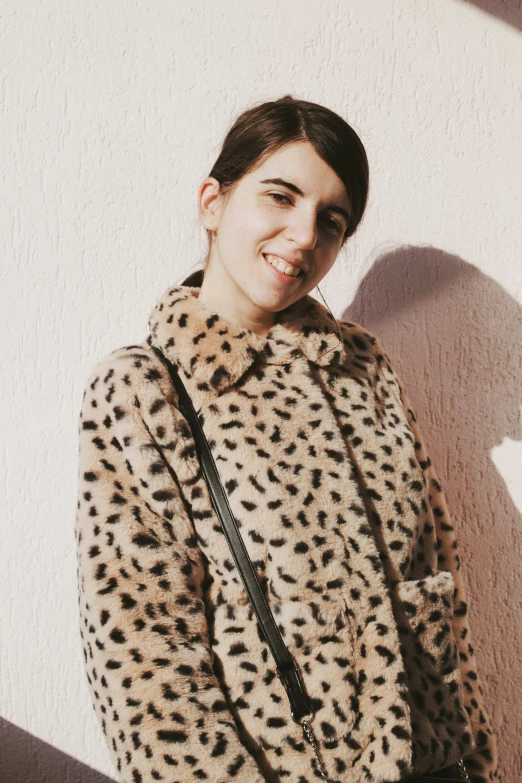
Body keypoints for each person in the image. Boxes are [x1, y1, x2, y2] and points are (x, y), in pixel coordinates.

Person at [74, 95, 499, 783]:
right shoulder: (145, 390)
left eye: (331, 221)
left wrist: (476, 762)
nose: (304, 237)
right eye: (280, 196)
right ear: (213, 201)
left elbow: (436, 583)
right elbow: (145, 662)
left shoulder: (364, 371)